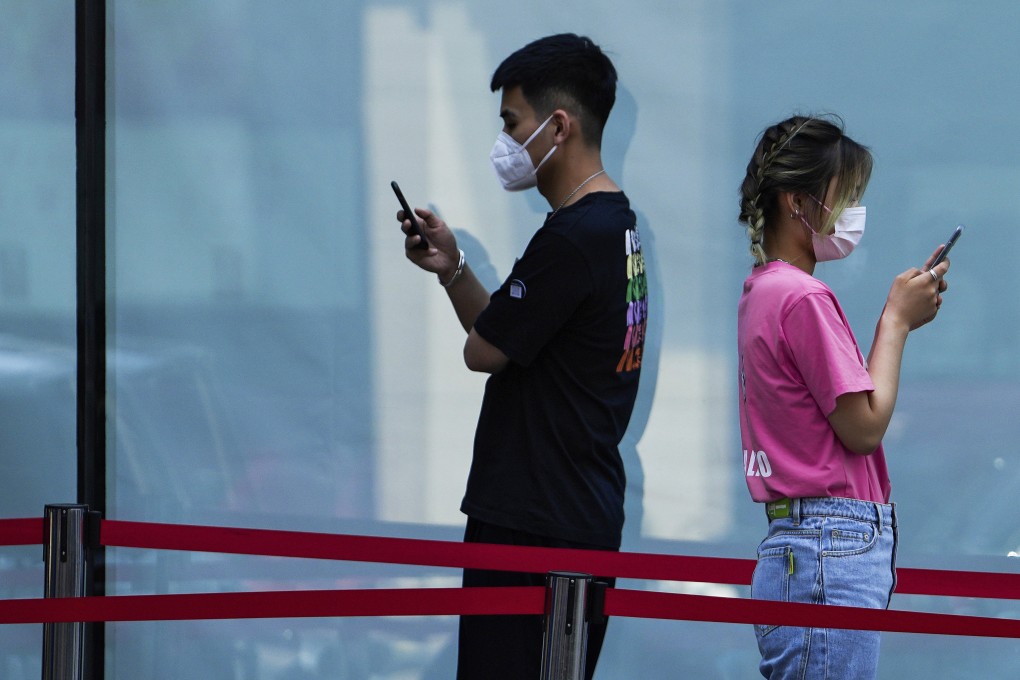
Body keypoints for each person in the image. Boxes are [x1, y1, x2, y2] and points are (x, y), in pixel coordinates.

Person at [397, 33, 647, 680]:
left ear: (557, 126)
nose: (504, 142)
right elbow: (507, 336)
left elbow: (484, 351)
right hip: (575, 514)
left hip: (535, 527)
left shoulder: (571, 238)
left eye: (512, 123)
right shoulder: (617, 228)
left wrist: (457, 276)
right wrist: (453, 266)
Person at [736, 114, 950, 679]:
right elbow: (864, 427)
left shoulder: (764, 289)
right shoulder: (803, 297)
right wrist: (896, 323)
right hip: (830, 544)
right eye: (843, 195)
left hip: (799, 544)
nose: (851, 212)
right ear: (795, 201)